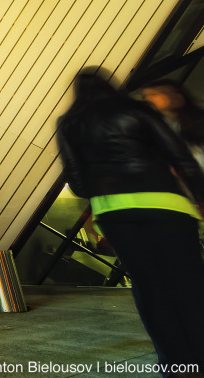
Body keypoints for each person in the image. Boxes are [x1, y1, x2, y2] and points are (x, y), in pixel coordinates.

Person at [58, 68, 204, 372]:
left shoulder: (69, 124)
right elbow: (179, 156)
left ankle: (176, 362)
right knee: (188, 283)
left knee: (150, 288)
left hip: (115, 214)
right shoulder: (136, 110)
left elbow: (77, 184)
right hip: (167, 207)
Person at [142, 79, 204, 168]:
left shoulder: (199, 118)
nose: (148, 99)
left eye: (175, 92)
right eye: (146, 96)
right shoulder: (154, 129)